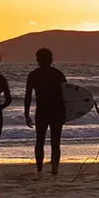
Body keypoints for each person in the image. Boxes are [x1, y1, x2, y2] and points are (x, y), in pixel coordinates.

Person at [24, 47, 66, 177]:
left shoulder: (33, 75)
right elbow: (67, 95)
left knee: (40, 141)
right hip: (57, 111)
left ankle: (39, 171)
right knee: (55, 142)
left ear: (38, 60)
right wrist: (67, 113)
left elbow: (28, 96)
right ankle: (54, 171)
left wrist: (26, 113)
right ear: (51, 60)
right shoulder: (58, 74)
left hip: (42, 112)